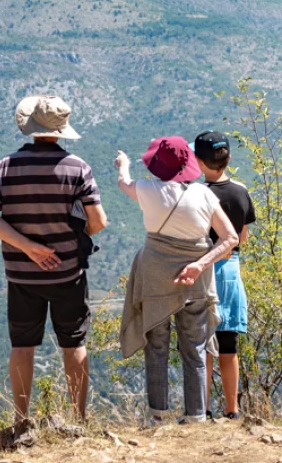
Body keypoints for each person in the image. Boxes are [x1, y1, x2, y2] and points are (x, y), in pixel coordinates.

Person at [0, 94, 107, 436]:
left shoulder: (6, 167)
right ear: (62, 131)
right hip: (68, 272)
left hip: (20, 273)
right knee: (74, 344)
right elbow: (98, 221)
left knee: (22, 346)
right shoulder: (77, 168)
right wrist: (72, 236)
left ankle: (21, 421)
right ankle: (78, 420)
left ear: (30, 127)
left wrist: (29, 247)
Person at [117, 136, 238, 423]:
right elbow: (230, 238)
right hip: (194, 283)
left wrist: (124, 164)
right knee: (195, 350)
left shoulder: (146, 189)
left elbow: (123, 183)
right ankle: (196, 416)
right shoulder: (205, 196)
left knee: (156, 348)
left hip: (155, 281)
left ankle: (157, 416)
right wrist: (199, 265)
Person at [194, 130, 256, 420]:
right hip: (231, 271)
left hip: (203, 272)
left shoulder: (197, 194)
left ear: (197, 162)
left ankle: (202, 409)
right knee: (228, 344)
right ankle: (233, 409)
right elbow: (241, 236)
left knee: (204, 346)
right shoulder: (241, 191)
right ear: (228, 158)